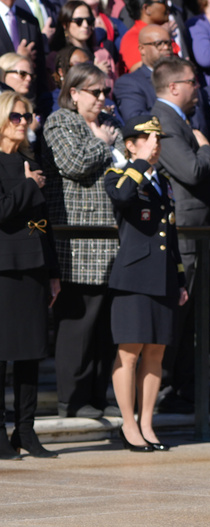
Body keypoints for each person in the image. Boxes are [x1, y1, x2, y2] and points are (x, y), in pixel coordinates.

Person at [42, 63, 122, 419]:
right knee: (78, 323)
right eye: (95, 92)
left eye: (105, 92)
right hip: (78, 243)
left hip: (112, 239)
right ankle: (71, 400)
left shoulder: (109, 125)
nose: (102, 99)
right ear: (73, 93)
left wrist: (108, 140)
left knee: (103, 326)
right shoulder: (60, 121)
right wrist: (103, 144)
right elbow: (72, 162)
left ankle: (96, 397)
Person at [103, 115, 186, 452]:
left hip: (162, 276)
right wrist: (138, 162)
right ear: (131, 143)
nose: (156, 145)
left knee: (156, 352)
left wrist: (179, 278)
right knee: (130, 351)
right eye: (149, 138)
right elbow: (122, 198)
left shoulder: (162, 182)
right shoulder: (119, 175)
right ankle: (128, 423)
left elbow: (172, 235)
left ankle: (147, 423)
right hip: (134, 276)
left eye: (158, 139)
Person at [150, 57, 210, 414]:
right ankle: (165, 389)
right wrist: (207, 148)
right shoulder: (165, 120)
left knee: (193, 318)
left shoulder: (178, 119)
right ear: (174, 86)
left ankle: (184, 389)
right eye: (193, 81)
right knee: (181, 315)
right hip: (186, 235)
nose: (198, 88)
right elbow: (191, 171)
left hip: (198, 233)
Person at [0, 90, 60, 458]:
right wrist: (29, 186)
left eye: (27, 116)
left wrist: (52, 270)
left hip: (34, 267)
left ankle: (26, 429)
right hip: (4, 268)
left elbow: (42, 224)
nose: (23, 123)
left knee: (30, 353)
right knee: (2, 355)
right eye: (16, 116)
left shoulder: (29, 160)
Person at [111, 24, 175, 120]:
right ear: (142, 49)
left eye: (168, 43)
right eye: (159, 44)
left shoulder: (181, 76)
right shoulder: (129, 83)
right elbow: (136, 119)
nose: (166, 47)